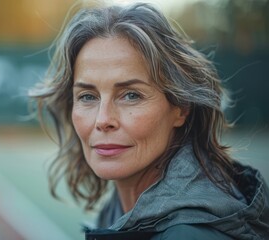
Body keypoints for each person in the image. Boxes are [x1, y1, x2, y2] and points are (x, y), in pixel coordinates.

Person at [29, 1, 269, 239]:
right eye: (88, 96)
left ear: (181, 108)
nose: (103, 120)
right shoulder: (118, 212)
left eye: (131, 95)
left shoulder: (188, 235)